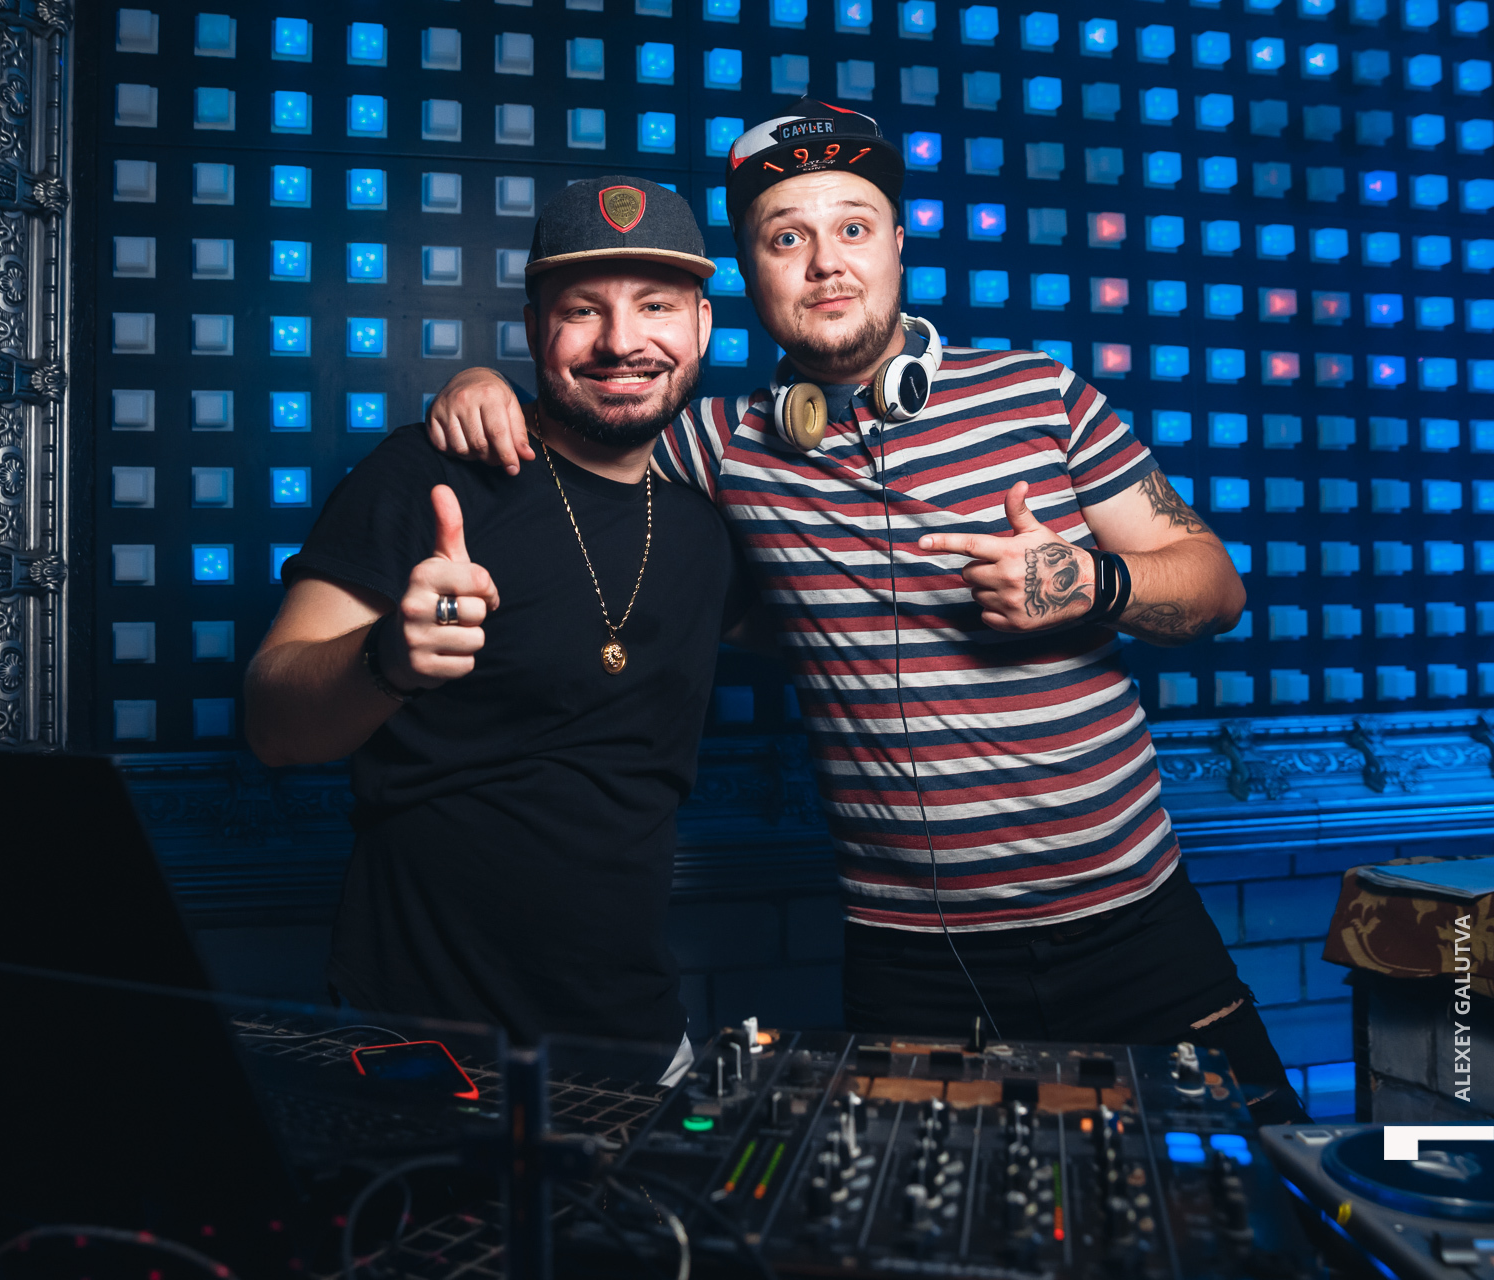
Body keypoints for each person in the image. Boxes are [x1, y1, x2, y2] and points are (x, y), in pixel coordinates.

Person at [424, 102, 1309, 1123]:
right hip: (910, 959)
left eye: (853, 227)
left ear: (897, 245)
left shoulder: (1040, 394)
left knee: (1271, 1181)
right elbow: (585, 433)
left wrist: (1088, 583)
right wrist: (480, 382)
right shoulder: (719, 443)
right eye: (785, 238)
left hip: (1135, 922)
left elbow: (1215, 586)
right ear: (746, 278)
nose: (826, 264)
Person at [245, 177, 748, 1081]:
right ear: (532, 328)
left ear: (702, 327)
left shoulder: (705, 532)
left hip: (641, 1044)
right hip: (421, 1046)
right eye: (582, 310)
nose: (622, 341)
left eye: (657, 306)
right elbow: (272, 726)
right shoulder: (424, 474)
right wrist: (387, 660)